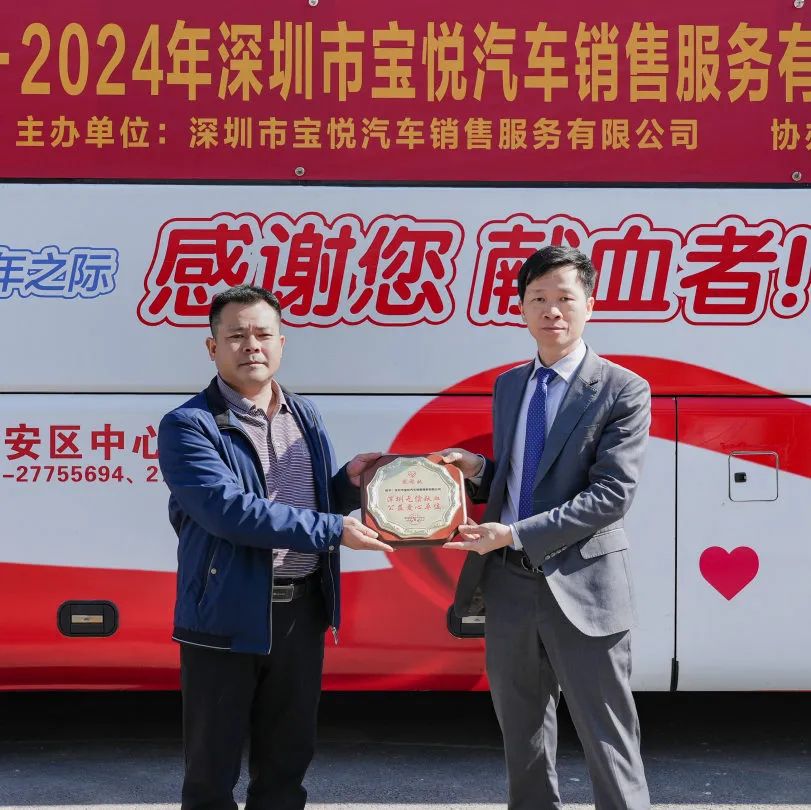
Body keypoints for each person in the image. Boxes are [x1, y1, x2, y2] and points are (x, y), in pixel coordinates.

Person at [157, 284, 392, 810]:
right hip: (224, 615)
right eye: (236, 336)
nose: (251, 346)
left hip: (300, 614)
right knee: (211, 775)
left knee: (286, 769)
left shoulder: (303, 413)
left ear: (281, 343)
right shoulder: (188, 425)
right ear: (212, 347)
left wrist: (350, 485)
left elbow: (306, 500)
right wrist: (333, 529)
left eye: (263, 334)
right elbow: (229, 511)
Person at [442, 246, 651, 810]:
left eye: (564, 298)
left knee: (607, 735)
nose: (551, 310)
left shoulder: (622, 388)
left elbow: (611, 495)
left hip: (583, 582)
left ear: (590, 305)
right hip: (508, 583)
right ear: (521, 309)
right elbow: (523, 480)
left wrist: (513, 533)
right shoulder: (510, 384)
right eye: (538, 298)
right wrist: (478, 471)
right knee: (523, 735)